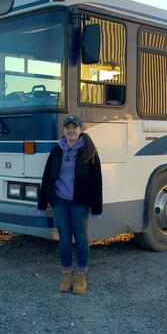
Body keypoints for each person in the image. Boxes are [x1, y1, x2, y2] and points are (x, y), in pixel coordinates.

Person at [37, 115, 102, 294]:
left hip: (80, 203)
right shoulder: (56, 151)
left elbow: (96, 181)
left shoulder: (89, 151)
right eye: (68, 127)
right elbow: (47, 178)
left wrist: (97, 208)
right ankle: (66, 275)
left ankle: (81, 276)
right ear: (63, 130)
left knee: (81, 238)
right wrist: (42, 204)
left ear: (81, 130)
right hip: (60, 202)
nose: (71, 130)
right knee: (64, 240)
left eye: (75, 127)